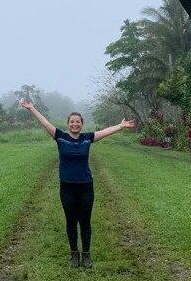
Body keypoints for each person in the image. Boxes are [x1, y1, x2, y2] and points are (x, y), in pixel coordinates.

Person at [20, 100, 135, 269]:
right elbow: (45, 122)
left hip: (85, 187)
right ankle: (74, 254)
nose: (75, 124)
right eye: (72, 122)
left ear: (82, 124)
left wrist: (120, 126)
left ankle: (86, 254)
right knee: (71, 221)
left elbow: (104, 132)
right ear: (68, 124)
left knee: (85, 222)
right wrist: (32, 109)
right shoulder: (60, 136)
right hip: (67, 188)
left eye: (78, 122)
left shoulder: (88, 138)